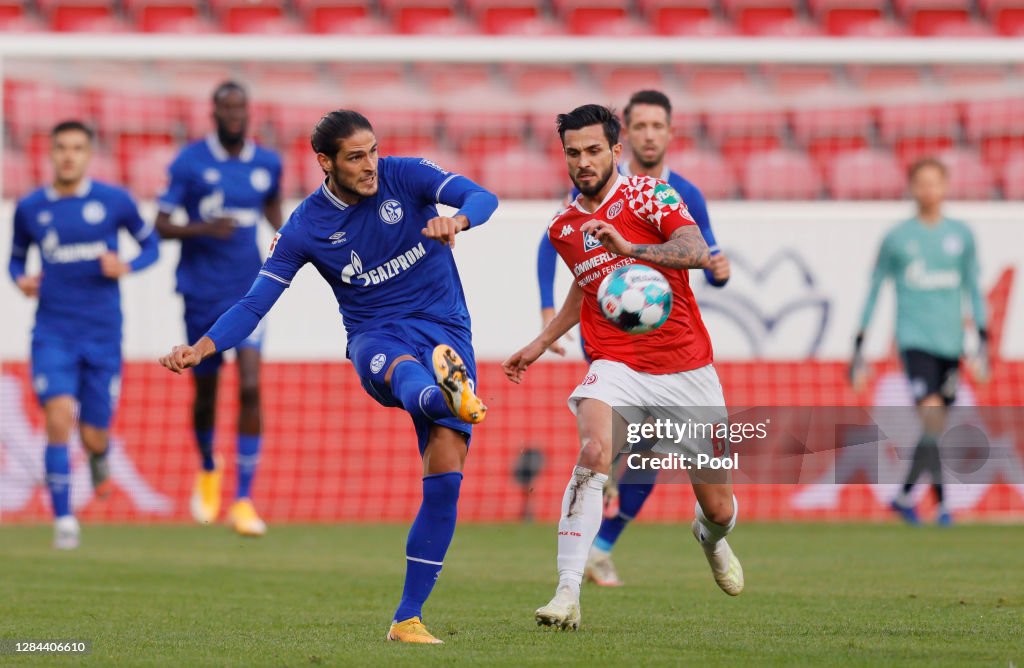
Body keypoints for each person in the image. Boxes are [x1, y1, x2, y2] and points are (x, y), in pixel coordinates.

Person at [158, 110, 498, 644]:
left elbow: (483, 197)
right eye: (356, 157)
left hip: (444, 328)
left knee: (447, 474)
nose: (370, 166)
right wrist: (202, 347)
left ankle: (407, 619)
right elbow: (255, 303)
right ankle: (444, 393)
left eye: (373, 151)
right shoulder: (305, 227)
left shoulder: (405, 176)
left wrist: (459, 220)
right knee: (409, 374)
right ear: (326, 162)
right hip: (376, 339)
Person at [505, 104, 743, 631]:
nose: (583, 161)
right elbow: (585, 285)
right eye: (573, 152)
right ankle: (566, 592)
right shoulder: (565, 226)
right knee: (593, 450)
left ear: (615, 150)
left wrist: (632, 247)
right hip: (617, 362)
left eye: (594, 150)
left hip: (686, 368)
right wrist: (542, 341)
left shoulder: (650, 194)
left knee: (721, 508)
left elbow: (695, 249)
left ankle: (709, 537)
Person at [8, 120, 159, 549]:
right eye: (61, 148)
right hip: (52, 332)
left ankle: (97, 457)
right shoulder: (31, 208)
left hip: (102, 334)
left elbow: (151, 247)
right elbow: (14, 261)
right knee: (57, 418)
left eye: (77, 148)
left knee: (94, 434)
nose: (68, 155)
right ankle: (64, 521)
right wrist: (21, 280)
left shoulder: (114, 202)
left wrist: (126, 266)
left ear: (89, 154)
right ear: (50, 153)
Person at [154, 81, 283, 536]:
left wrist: (300, 243)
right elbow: (161, 224)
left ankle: (243, 499)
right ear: (214, 113)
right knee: (206, 392)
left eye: (240, 108)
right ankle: (209, 467)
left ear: (248, 113)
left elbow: (275, 213)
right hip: (200, 292)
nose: (234, 115)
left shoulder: (267, 163)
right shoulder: (190, 162)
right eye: (226, 108)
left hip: (249, 293)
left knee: (250, 386)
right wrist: (203, 229)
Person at [851, 157, 989, 527]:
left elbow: (974, 289)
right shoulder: (898, 238)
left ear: (945, 187)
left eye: (935, 183)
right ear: (912, 188)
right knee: (931, 417)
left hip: (952, 344)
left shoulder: (962, 236)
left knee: (935, 427)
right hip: (915, 342)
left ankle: (904, 495)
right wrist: (859, 346)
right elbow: (875, 289)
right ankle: (943, 506)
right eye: (922, 183)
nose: (929, 190)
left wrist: (983, 342)